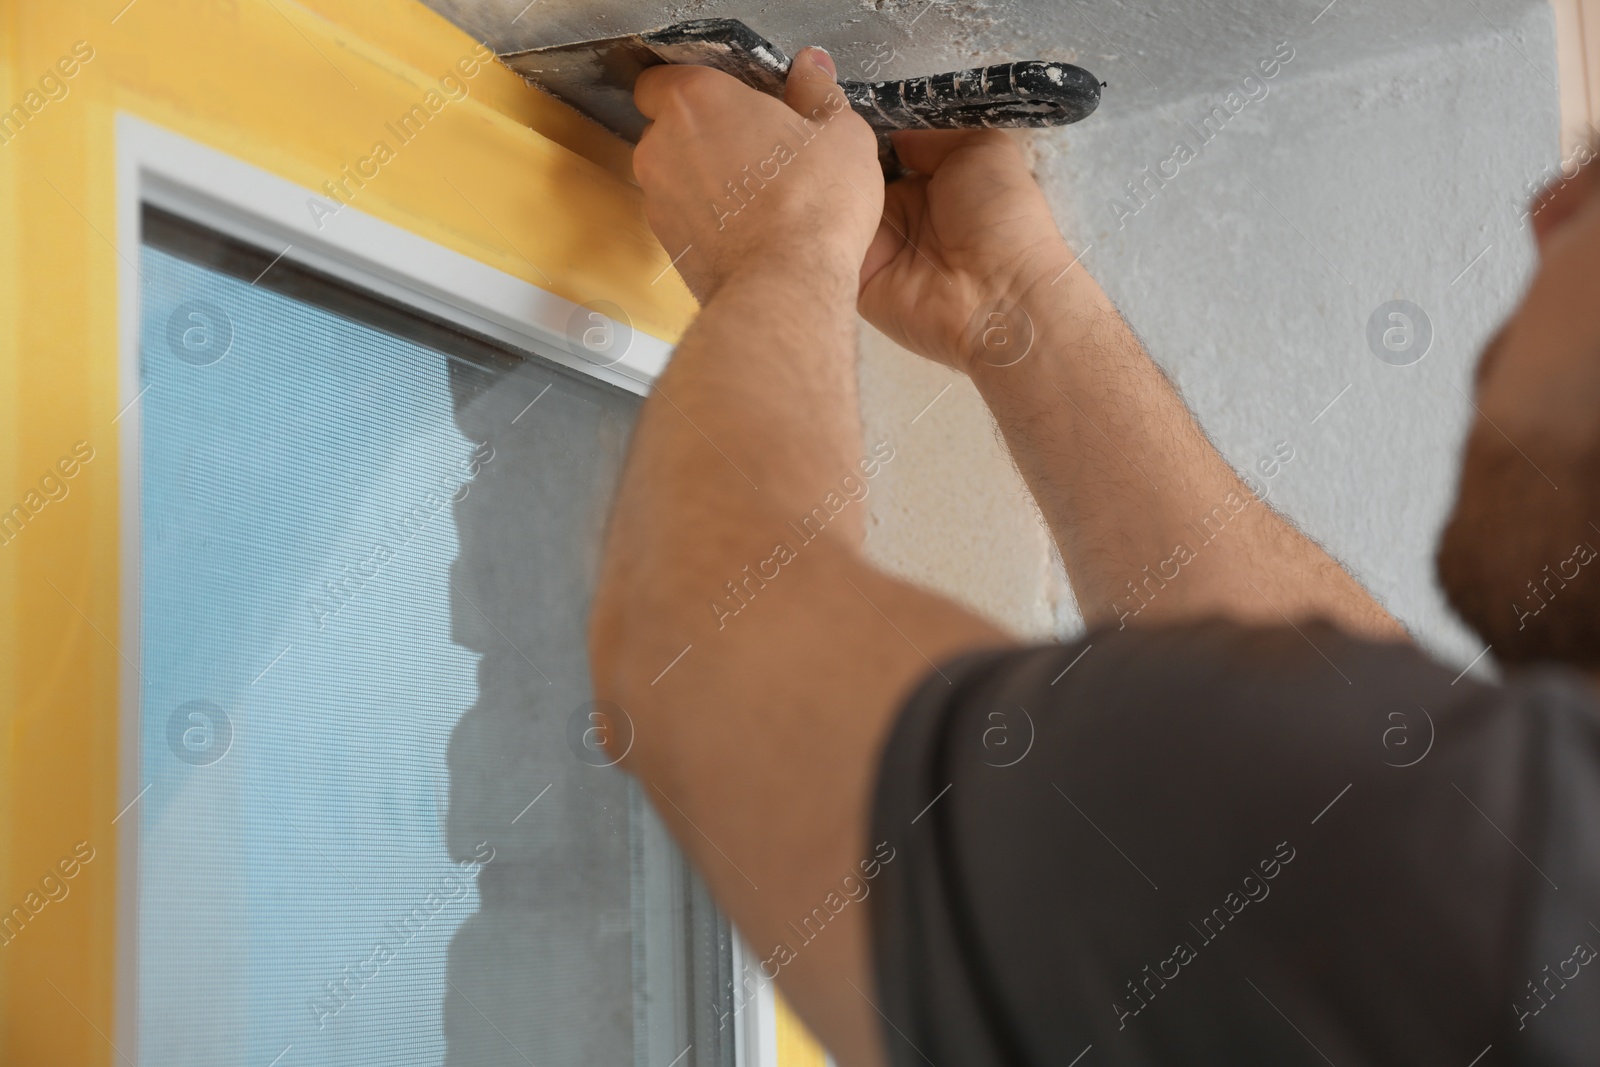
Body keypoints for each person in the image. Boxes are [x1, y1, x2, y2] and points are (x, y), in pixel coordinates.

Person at [588, 45, 1600, 1065]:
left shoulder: (1487, 906)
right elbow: (1375, 772)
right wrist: (1012, 308)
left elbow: (700, 653)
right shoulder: (1499, 880)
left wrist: (781, 250)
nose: (1551, 204)